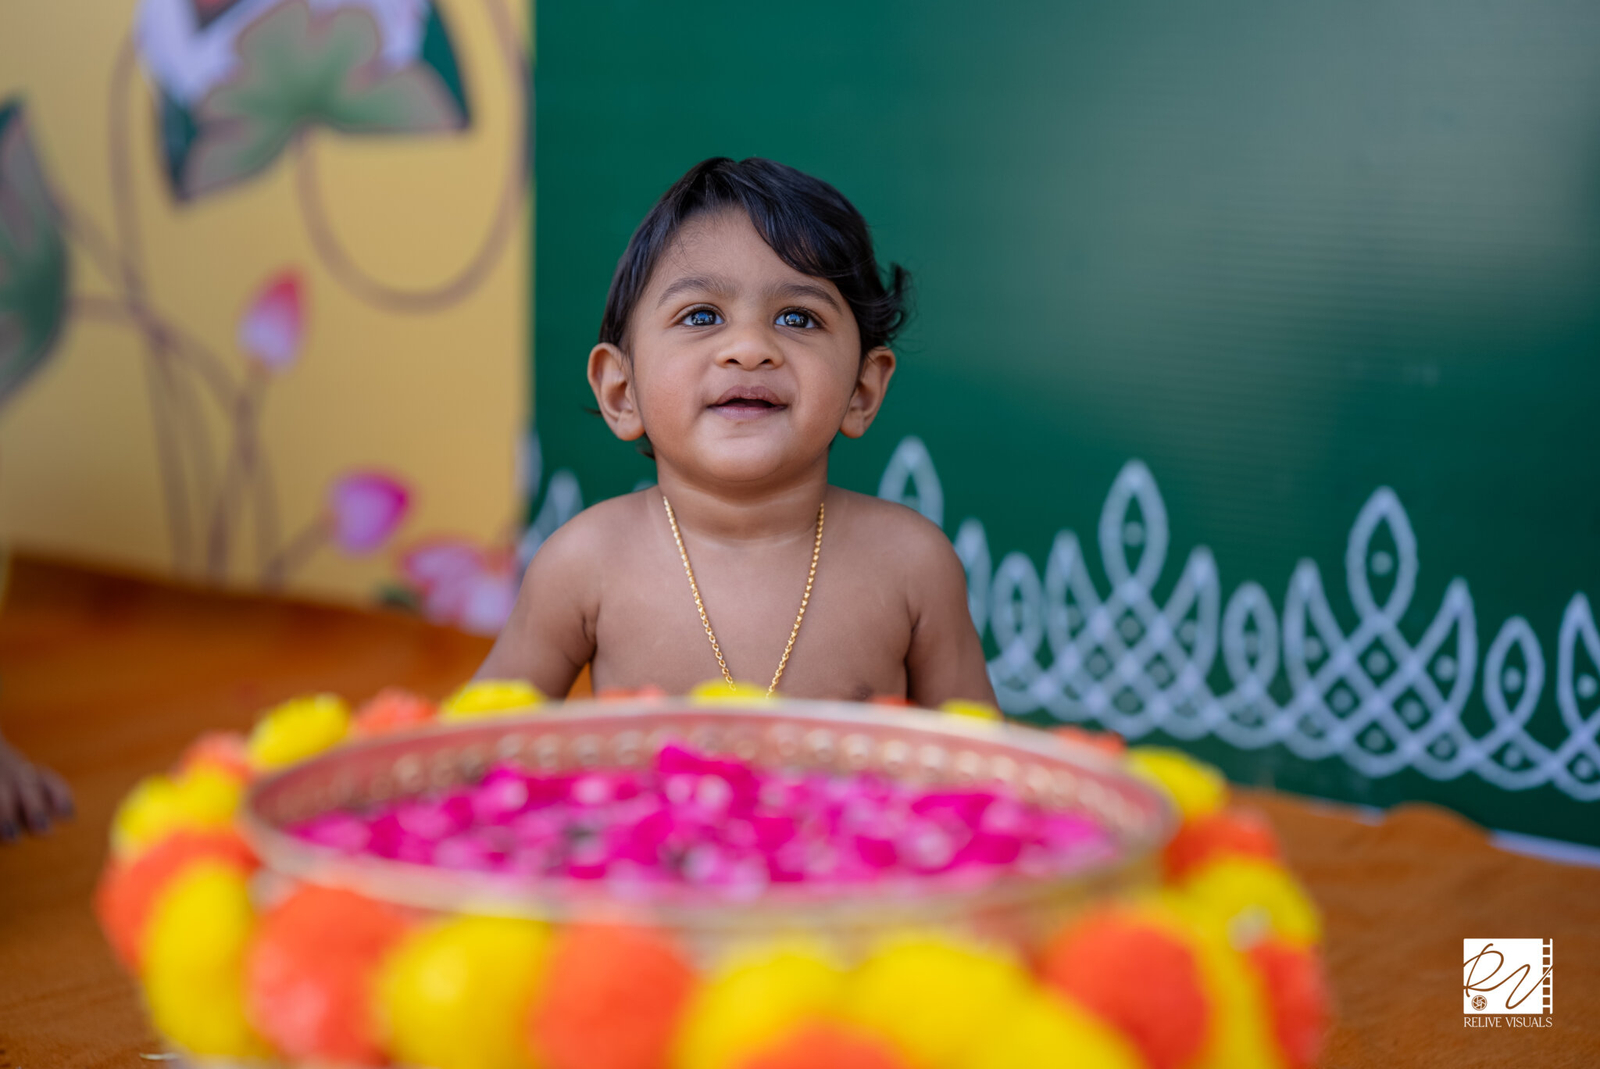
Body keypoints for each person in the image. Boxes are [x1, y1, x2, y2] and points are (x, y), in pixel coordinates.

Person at [479, 157, 995, 707]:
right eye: (701, 316)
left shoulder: (911, 564)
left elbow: (980, 761)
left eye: (798, 318)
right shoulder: (583, 563)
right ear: (621, 392)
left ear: (862, 391)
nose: (749, 348)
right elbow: (477, 742)